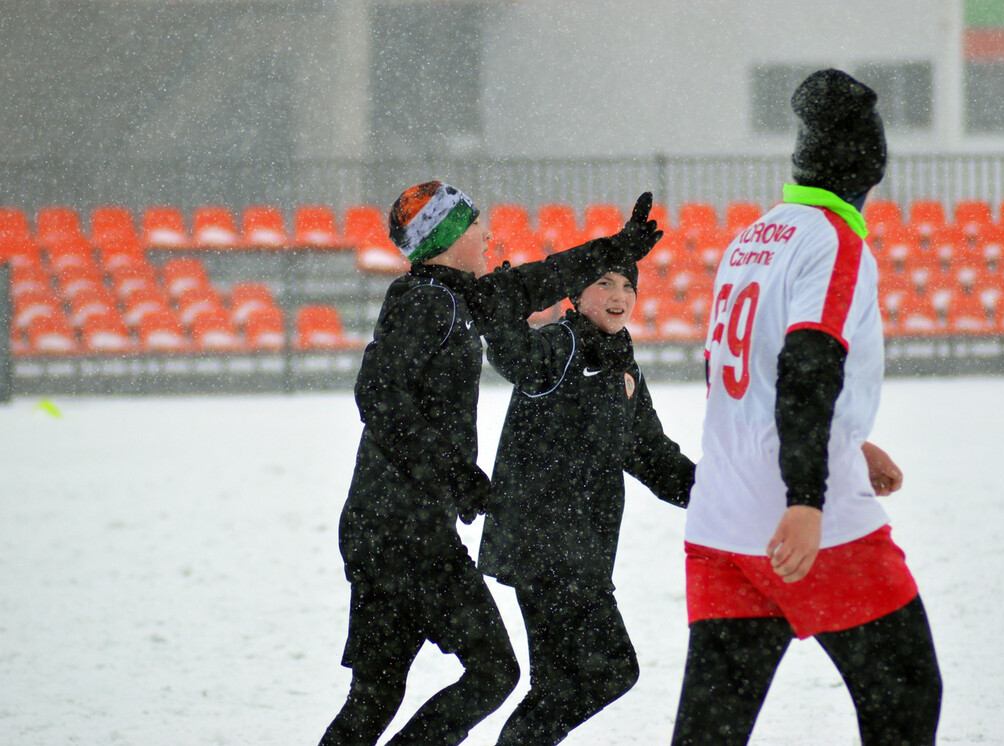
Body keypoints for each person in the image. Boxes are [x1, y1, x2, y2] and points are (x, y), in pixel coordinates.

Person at [319, 182, 662, 746]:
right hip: (405, 532)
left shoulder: (455, 295)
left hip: (384, 526)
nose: (488, 234)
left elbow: (538, 279)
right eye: (476, 223)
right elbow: (378, 395)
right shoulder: (430, 303)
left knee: (376, 696)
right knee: (493, 672)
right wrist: (455, 476)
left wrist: (615, 247)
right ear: (449, 237)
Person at [670, 69, 942, 745]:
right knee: (907, 692)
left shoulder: (755, 237)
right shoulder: (834, 240)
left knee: (710, 734)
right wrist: (807, 496)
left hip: (720, 524)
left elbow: (746, 376)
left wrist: (849, 436)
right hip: (803, 518)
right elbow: (805, 370)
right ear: (868, 169)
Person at [474, 263, 696, 745]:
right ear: (576, 293)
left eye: (629, 287)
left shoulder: (623, 363)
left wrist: (717, 497)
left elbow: (651, 454)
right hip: (547, 548)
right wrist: (506, 300)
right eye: (605, 283)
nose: (620, 296)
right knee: (611, 670)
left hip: (573, 550)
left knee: (557, 685)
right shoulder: (560, 344)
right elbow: (513, 354)